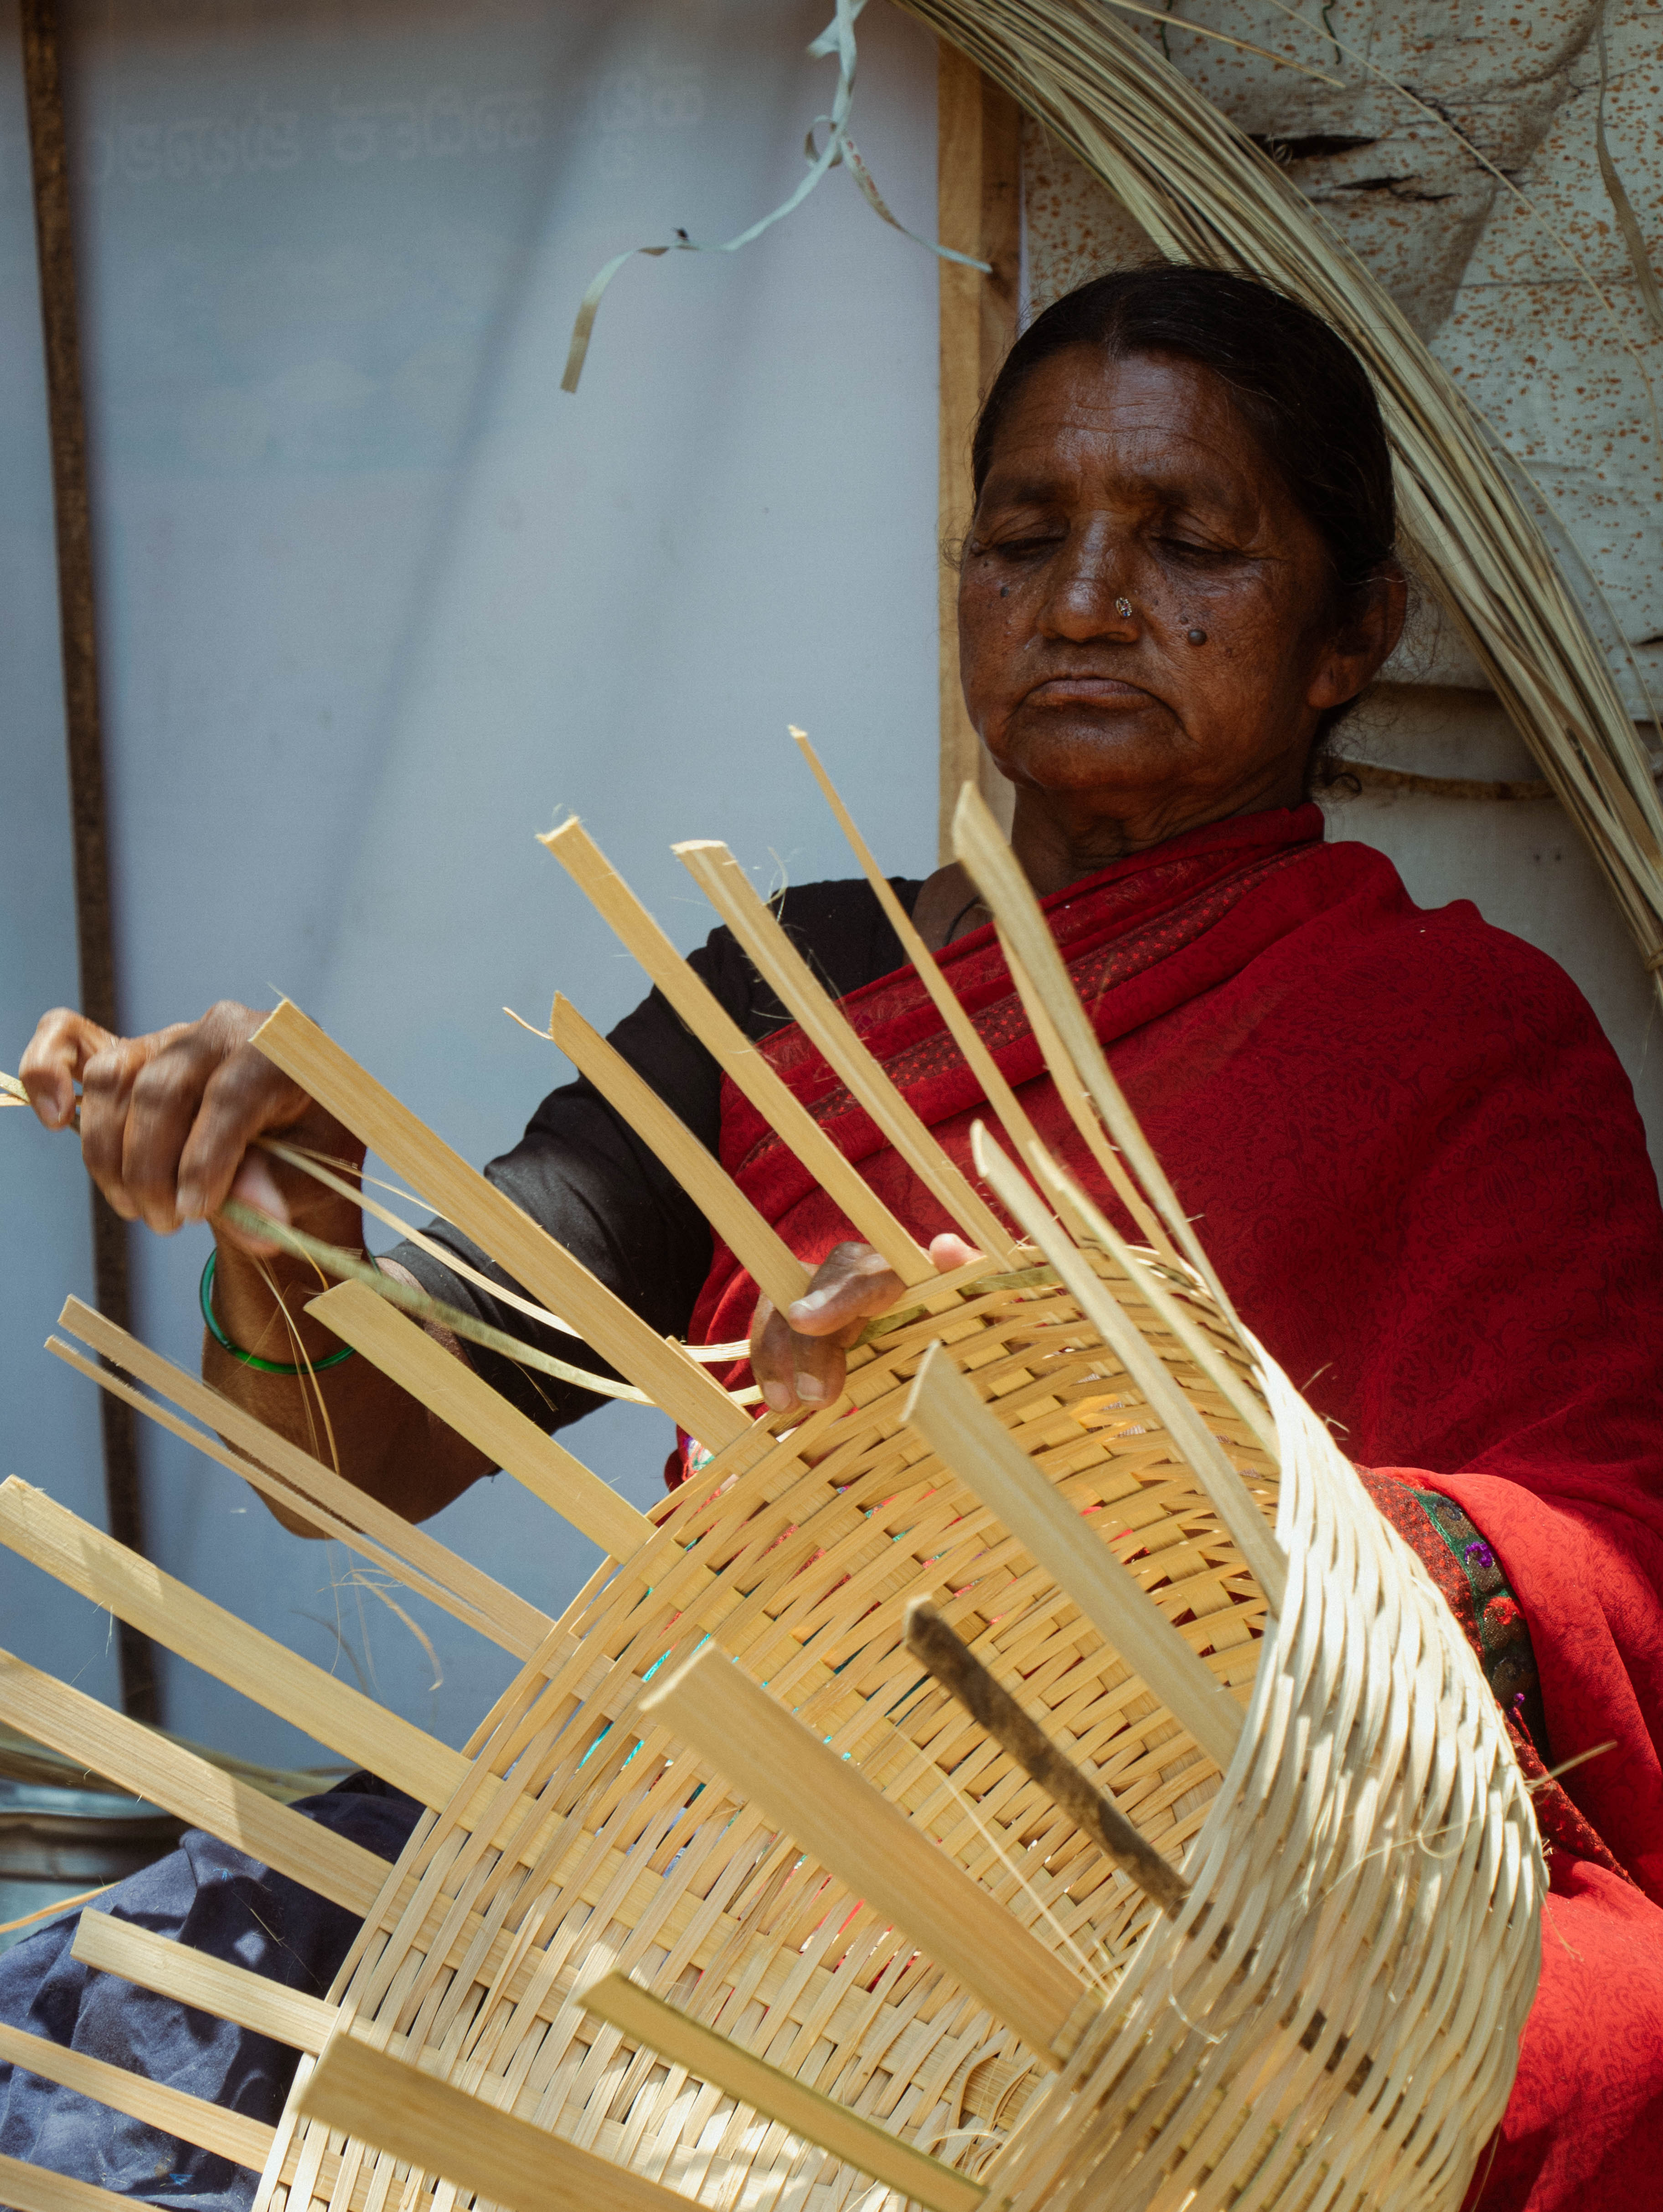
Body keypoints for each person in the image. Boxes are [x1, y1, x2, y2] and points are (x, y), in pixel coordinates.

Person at [12, 267, 1663, 2211]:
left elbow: (1609, 1553)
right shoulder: (789, 991)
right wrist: (288, 1219)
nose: (1084, 600)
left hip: (1221, 1886)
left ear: (1349, 630)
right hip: (750, 1860)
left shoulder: (1455, 1031)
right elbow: (365, 1453)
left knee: (1599, 2049)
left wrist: (1087, 1469)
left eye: (1189, 541)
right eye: (1023, 538)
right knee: (135, 2013)